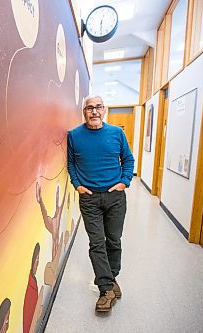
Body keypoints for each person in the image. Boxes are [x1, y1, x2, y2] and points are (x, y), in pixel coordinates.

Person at [67, 95, 134, 312]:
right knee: (97, 243)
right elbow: (71, 163)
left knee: (113, 240)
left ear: (104, 110)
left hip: (115, 197)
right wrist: (77, 185)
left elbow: (128, 159)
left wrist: (124, 182)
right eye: (89, 108)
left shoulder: (117, 133)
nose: (94, 111)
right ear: (83, 111)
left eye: (98, 107)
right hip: (89, 199)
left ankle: (111, 277)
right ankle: (106, 289)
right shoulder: (74, 136)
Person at [23, 243, 40, 333]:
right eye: (37, 259)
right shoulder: (30, 288)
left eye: (38, 259)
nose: (38, 263)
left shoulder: (32, 283)